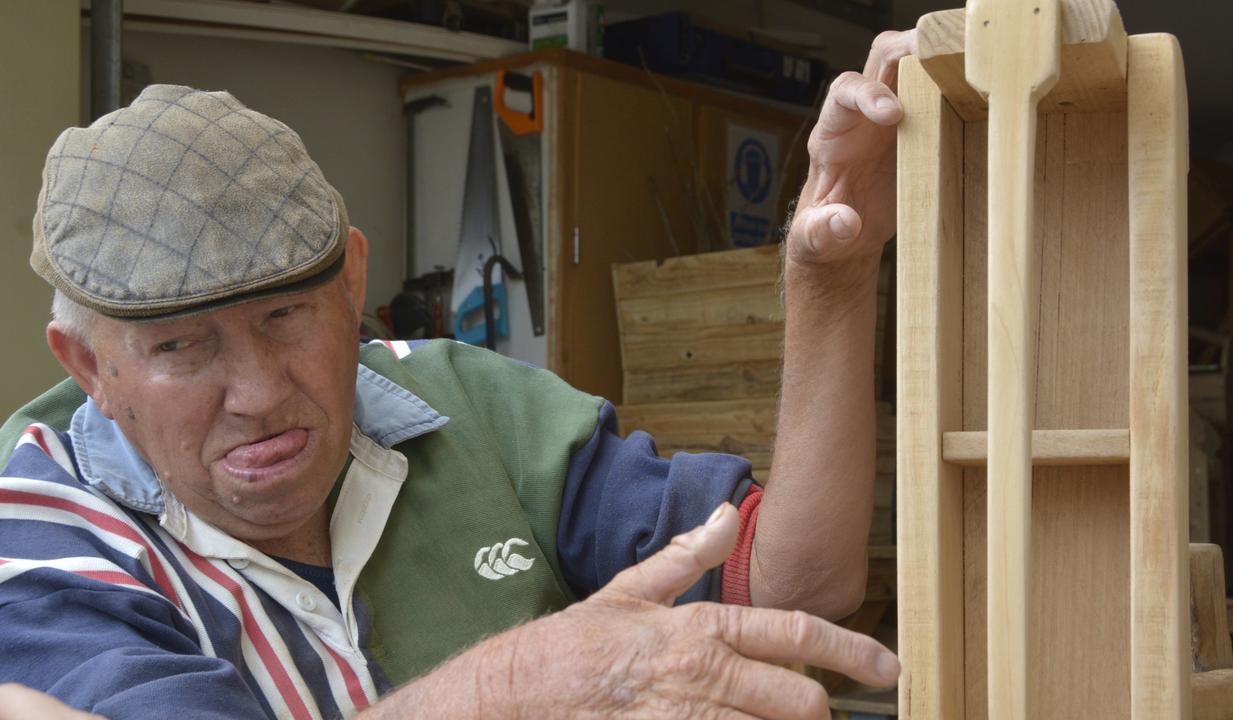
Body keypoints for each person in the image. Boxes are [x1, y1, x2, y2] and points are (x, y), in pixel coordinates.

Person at [0, 30, 916, 719]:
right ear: (88, 365)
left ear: (353, 283)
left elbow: (795, 586)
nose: (261, 393)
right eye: (182, 349)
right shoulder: (38, 527)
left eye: (286, 317)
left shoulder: (460, 402)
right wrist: (521, 685)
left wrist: (830, 276)